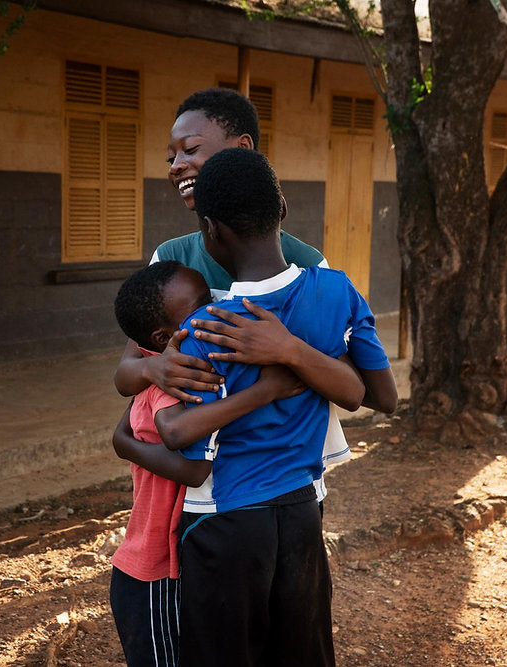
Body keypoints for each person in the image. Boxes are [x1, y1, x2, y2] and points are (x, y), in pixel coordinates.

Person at [112, 87, 397, 501]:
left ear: (242, 147)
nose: (177, 165)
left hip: (288, 481)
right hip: (202, 492)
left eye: (190, 149)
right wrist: (153, 371)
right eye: (170, 157)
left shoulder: (309, 268)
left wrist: (287, 349)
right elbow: (125, 374)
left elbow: (362, 389)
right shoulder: (172, 261)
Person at [170, 148, 392, 666]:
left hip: (222, 521)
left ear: (210, 230)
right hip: (301, 513)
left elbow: (185, 444)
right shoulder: (339, 292)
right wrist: (300, 353)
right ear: (283, 211)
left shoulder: (207, 330)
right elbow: (382, 396)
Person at [108, 260, 314, 667]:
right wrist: (264, 391)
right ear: (164, 337)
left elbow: (124, 432)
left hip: (174, 560)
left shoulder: (162, 372)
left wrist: (123, 442)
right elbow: (193, 467)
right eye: (202, 303)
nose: (216, 304)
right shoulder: (175, 379)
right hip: (156, 569)